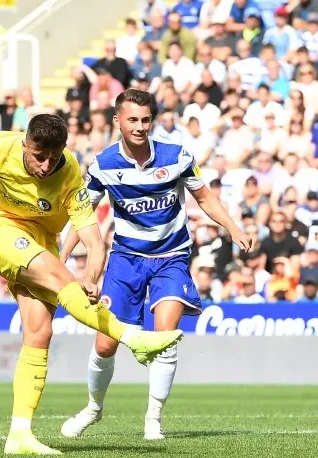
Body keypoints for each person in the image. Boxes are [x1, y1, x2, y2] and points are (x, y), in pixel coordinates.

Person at [0, 115, 184, 456]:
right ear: (25, 143)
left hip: (41, 241)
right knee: (59, 276)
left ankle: (19, 434)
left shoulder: (69, 174)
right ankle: (132, 337)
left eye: (53, 156)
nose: (46, 164)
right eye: (39, 155)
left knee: (39, 331)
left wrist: (93, 279)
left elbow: (94, 242)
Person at [59, 89, 254, 440]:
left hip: (171, 258)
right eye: (132, 119)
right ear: (117, 120)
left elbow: (204, 196)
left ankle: (153, 418)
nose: (140, 127)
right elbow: (82, 215)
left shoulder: (176, 157)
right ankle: (93, 408)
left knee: (165, 338)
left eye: (146, 119)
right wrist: (61, 255)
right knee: (106, 344)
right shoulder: (103, 164)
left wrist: (234, 228)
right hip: (126, 259)